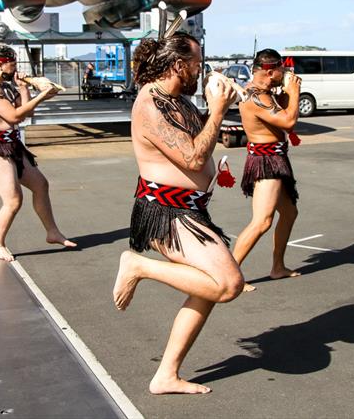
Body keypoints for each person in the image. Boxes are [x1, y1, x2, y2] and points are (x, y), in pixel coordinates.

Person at [112, 33, 243, 395]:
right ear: (178, 65)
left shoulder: (176, 99)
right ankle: (138, 266)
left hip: (188, 209)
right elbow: (193, 158)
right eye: (197, 65)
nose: (200, 71)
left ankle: (165, 374)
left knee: (205, 289)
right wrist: (217, 109)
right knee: (227, 284)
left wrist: (222, 109)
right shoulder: (149, 105)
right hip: (164, 211)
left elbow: (198, 137)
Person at [0, 44, 75, 262]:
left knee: (40, 185)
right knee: (13, 200)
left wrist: (25, 89)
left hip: (12, 145)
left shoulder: (5, 85)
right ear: (0, 64)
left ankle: (52, 232)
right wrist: (43, 96)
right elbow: (14, 117)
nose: (15, 68)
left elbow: (25, 112)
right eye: (12, 64)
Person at [232, 49, 303, 291]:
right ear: (270, 71)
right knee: (262, 221)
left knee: (290, 213)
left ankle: (278, 267)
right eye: (281, 69)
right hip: (266, 161)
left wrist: (285, 92)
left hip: (276, 158)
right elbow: (288, 121)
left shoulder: (264, 94)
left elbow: (280, 111)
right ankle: (230, 275)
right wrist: (295, 93)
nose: (284, 73)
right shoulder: (256, 98)